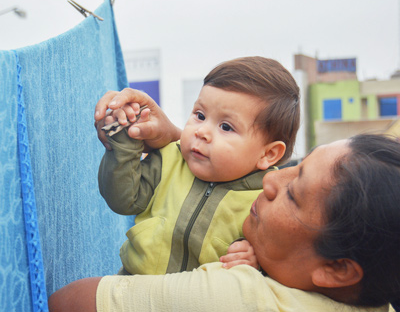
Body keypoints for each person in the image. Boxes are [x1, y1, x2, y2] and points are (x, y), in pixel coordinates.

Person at [48, 133, 400, 312]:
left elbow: (66, 302)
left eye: (294, 193)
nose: (271, 180)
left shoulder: (240, 297)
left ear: (338, 268)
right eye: (297, 164)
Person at [96, 56, 300, 275]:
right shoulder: (169, 159)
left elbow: (285, 265)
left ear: (268, 154)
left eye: (226, 127)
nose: (201, 131)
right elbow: (122, 199)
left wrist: (256, 261)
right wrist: (125, 142)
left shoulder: (267, 201)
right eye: (200, 115)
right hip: (135, 288)